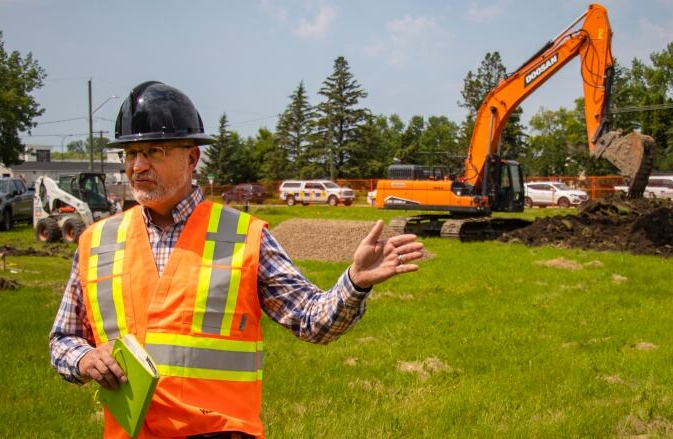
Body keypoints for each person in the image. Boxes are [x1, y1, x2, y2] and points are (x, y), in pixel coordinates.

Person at [49, 81, 424, 439]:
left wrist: (356, 281)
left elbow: (313, 322)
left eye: (154, 152)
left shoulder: (243, 237)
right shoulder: (96, 241)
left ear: (192, 157)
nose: (138, 166)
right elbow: (63, 339)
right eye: (131, 153)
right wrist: (82, 359)